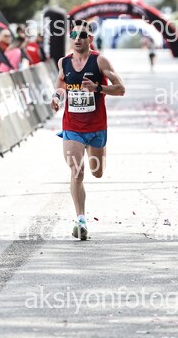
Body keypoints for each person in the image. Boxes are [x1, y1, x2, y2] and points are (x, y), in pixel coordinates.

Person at [50, 20, 126, 240]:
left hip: (96, 127)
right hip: (72, 126)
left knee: (97, 172)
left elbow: (121, 89)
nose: (77, 39)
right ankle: (81, 220)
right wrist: (56, 96)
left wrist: (98, 88)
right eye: (74, 35)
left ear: (90, 39)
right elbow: (61, 84)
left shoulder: (100, 61)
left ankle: (95, 156)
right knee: (77, 171)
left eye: (82, 35)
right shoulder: (64, 62)